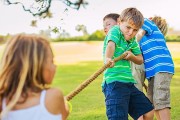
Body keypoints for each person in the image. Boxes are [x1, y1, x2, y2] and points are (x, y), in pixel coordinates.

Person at [0, 34, 70, 120]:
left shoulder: (2, 101)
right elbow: (64, 114)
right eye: (52, 61)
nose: (55, 66)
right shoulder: (53, 96)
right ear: (37, 65)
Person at [102, 7, 154, 120]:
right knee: (119, 117)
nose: (131, 32)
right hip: (114, 83)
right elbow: (111, 44)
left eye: (135, 30)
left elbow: (140, 59)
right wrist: (108, 58)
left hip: (129, 84)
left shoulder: (132, 40)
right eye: (128, 27)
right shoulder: (115, 31)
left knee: (148, 112)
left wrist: (132, 57)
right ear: (120, 21)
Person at [136, 16, 175, 120]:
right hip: (153, 72)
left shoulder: (148, 23)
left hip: (161, 67)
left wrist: (144, 19)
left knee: (160, 99)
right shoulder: (144, 39)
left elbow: (138, 23)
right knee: (152, 101)